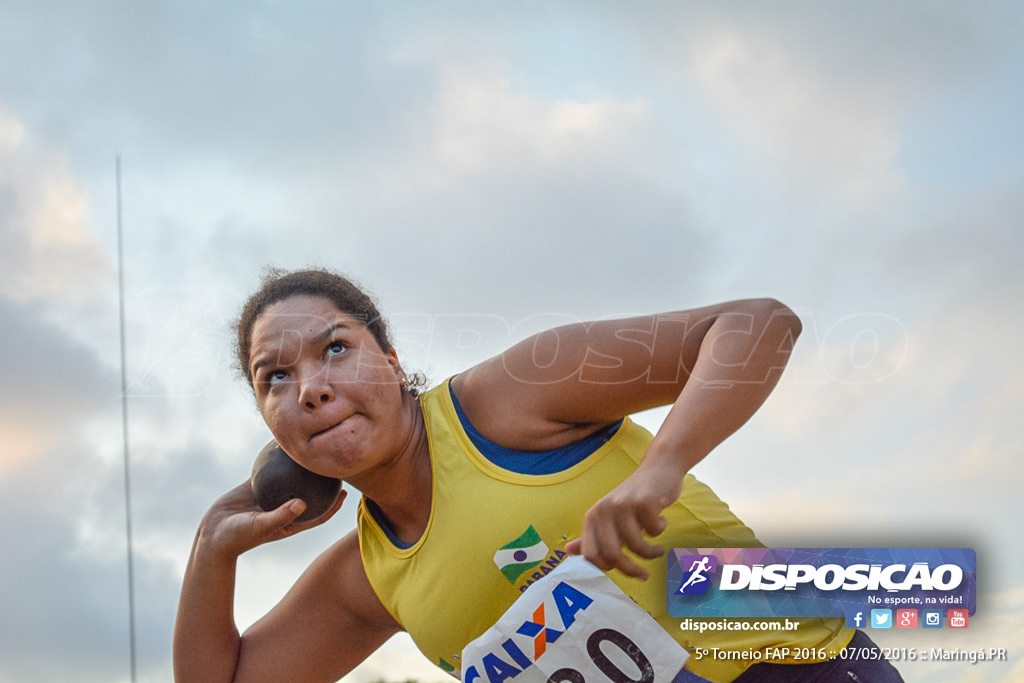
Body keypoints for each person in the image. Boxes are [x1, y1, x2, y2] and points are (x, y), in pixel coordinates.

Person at [173, 267, 902, 683]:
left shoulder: (506, 400)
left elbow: (758, 324)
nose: (309, 385)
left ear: (391, 363)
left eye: (334, 347)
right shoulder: (367, 578)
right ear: (273, 426)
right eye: (275, 377)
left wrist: (661, 467)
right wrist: (213, 548)